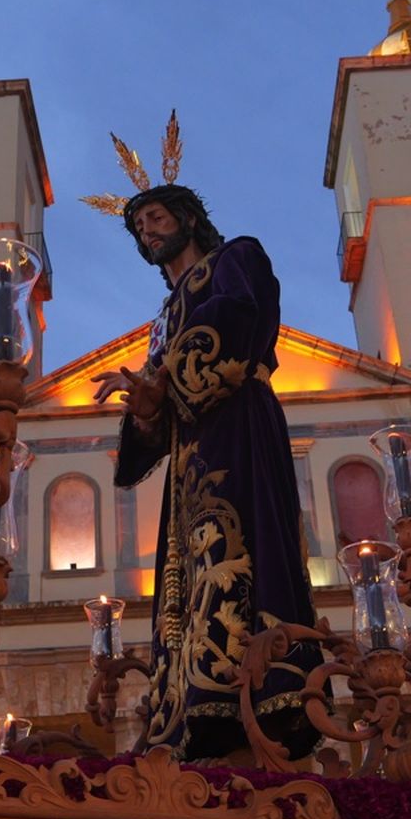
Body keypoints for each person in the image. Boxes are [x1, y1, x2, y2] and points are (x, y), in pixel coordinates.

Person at [92, 184, 321, 763]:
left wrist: (166, 378)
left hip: (238, 426)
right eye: (139, 225)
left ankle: (265, 687)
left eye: (157, 216)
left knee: (246, 546)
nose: (148, 229)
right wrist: (146, 406)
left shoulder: (235, 258)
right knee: (192, 571)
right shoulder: (163, 318)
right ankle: (196, 701)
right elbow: (153, 415)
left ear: (189, 218)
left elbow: (240, 321)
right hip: (191, 453)